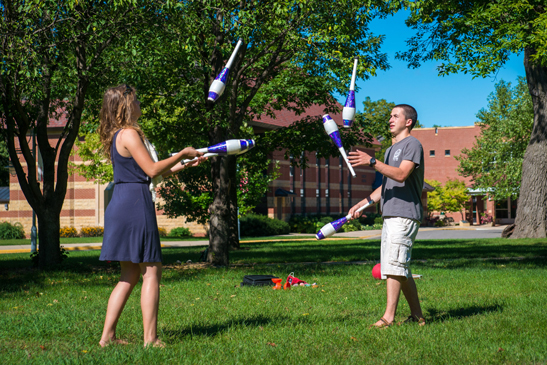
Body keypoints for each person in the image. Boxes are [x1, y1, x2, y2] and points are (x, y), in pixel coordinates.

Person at [98, 84, 205, 347]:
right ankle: (150, 339)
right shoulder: (130, 134)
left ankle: (107, 338)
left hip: (123, 201)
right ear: (126, 105)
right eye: (135, 100)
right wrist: (181, 152)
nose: (139, 103)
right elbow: (151, 168)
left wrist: (184, 164)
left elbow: (150, 172)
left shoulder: (118, 136)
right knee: (151, 271)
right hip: (135, 204)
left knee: (129, 274)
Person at [348, 104, 426, 328]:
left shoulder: (413, 144)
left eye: (395, 116)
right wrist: (362, 203)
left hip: (405, 213)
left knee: (393, 265)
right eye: (389, 116)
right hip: (391, 213)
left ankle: (388, 318)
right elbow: (387, 186)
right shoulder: (391, 150)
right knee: (401, 268)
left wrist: (373, 162)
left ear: (408, 121)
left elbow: (401, 175)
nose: (390, 120)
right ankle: (418, 317)